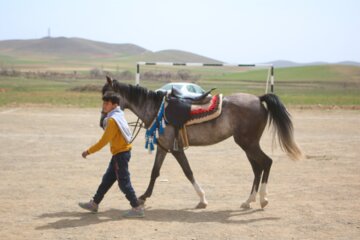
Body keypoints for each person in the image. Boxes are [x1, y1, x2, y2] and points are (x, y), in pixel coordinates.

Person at [79, 91, 144, 218]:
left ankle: (137, 207)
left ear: (114, 105)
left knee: (124, 183)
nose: (104, 105)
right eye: (103, 102)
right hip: (119, 154)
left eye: (107, 103)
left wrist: (88, 151)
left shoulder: (113, 120)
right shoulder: (118, 114)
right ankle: (94, 204)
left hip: (121, 155)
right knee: (107, 180)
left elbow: (104, 141)